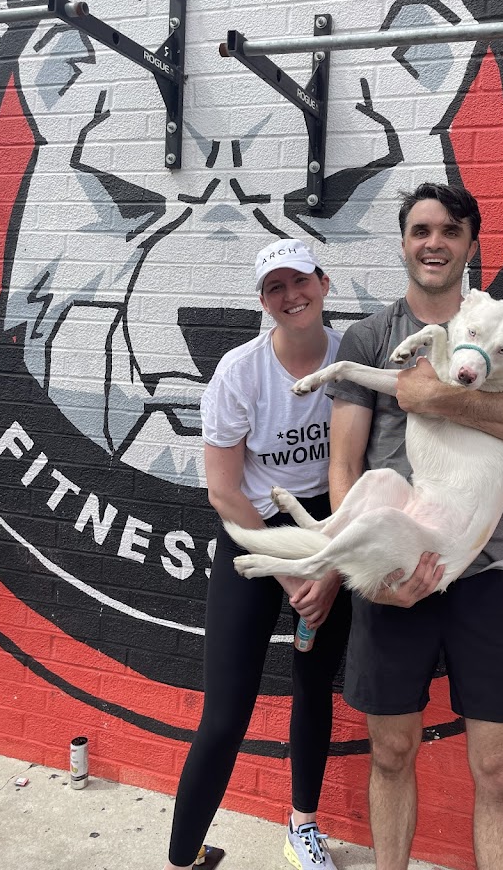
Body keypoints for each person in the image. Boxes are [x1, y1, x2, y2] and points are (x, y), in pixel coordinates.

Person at [325, 183, 503, 870]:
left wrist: (441, 398)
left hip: (490, 571)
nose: (434, 243)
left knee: (498, 774)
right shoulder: (370, 336)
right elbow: (344, 465)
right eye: (420, 230)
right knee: (390, 753)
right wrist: (364, 574)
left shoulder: (501, 327)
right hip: (393, 570)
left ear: (471, 245)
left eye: (450, 231)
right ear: (404, 243)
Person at [164, 239, 351, 870]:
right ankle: (183, 855)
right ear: (263, 301)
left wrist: (330, 566)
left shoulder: (351, 362)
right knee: (225, 711)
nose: (291, 295)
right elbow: (223, 490)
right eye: (276, 287)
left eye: (301, 281)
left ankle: (303, 826)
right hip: (253, 533)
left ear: (324, 284)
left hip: (328, 529)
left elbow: (364, 468)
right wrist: (291, 572)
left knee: (313, 688)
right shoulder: (240, 372)